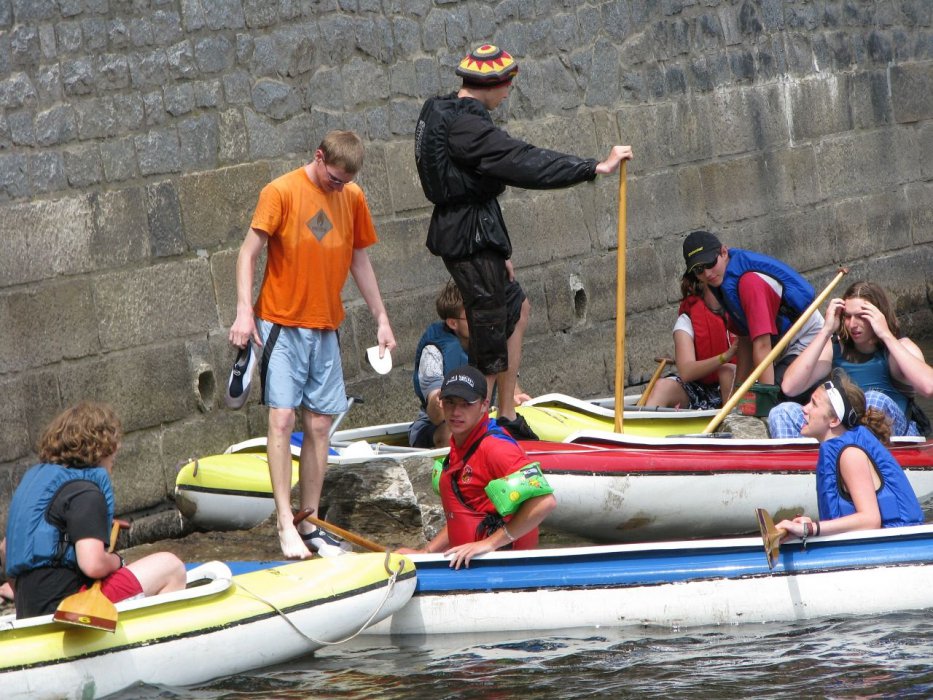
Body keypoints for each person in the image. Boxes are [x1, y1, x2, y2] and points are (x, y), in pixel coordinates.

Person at [414, 44, 634, 440]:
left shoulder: (442, 109)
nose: (508, 94)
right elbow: (524, 161)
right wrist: (593, 167)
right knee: (488, 334)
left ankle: (506, 410)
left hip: (477, 233)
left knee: (517, 305)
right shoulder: (467, 127)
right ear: (496, 84)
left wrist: (500, 251)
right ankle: (475, 433)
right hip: (468, 237)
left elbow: (478, 183)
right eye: (508, 86)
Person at [228, 130, 397, 559]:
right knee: (282, 418)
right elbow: (248, 253)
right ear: (318, 157)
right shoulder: (281, 191)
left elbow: (360, 257)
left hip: (326, 326)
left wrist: (381, 317)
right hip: (282, 323)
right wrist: (245, 311)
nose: (339, 188)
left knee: (320, 425)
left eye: (346, 182)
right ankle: (285, 522)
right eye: (335, 179)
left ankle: (310, 520)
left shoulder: (352, 197)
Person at [3, 402, 186, 620]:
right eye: (113, 454)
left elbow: (6, 551)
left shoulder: (33, 488)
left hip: (28, 611)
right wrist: (117, 561)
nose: (114, 460)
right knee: (170, 566)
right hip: (71, 606)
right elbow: (93, 565)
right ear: (102, 448)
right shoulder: (85, 492)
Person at [399, 365, 557, 569]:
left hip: (502, 571)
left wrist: (489, 543)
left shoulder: (496, 449)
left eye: (466, 404)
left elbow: (545, 502)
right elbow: (465, 516)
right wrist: (426, 553)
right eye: (450, 403)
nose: (456, 412)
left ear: (484, 405)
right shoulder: (459, 446)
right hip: (467, 565)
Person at [769, 282, 933, 439]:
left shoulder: (900, 347)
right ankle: (800, 467)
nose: (853, 324)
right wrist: (826, 331)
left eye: (861, 316)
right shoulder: (835, 347)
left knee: (870, 400)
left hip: (895, 433)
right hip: (844, 429)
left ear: (879, 316)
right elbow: (790, 388)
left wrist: (885, 334)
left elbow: (928, 387)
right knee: (783, 412)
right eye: (847, 316)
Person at [775, 369, 923, 540]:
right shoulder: (838, 450)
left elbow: (870, 520)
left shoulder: (850, 455)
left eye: (814, 404)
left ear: (834, 420)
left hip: (897, 546)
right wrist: (809, 524)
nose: (804, 409)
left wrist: (810, 529)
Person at [682, 229, 823, 401]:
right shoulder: (720, 282)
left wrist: (766, 402)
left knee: (774, 397)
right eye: (698, 270)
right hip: (780, 346)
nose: (707, 273)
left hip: (807, 339)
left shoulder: (749, 283)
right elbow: (745, 341)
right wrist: (737, 397)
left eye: (710, 263)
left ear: (724, 252)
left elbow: (762, 347)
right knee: (746, 402)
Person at [410, 280, 531, 448]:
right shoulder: (433, 351)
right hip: (435, 425)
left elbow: (505, 377)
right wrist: (440, 402)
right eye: (475, 315)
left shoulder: (488, 338)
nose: (484, 320)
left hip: (479, 416)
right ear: (453, 323)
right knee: (454, 431)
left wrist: (515, 396)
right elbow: (435, 413)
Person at [643, 273, 737, 409]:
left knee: (727, 371)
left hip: (735, 386)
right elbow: (686, 372)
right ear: (701, 282)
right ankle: (647, 424)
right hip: (699, 390)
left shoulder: (740, 311)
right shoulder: (687, 320)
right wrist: (726, 356)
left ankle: (732, 423)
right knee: (662, 386)